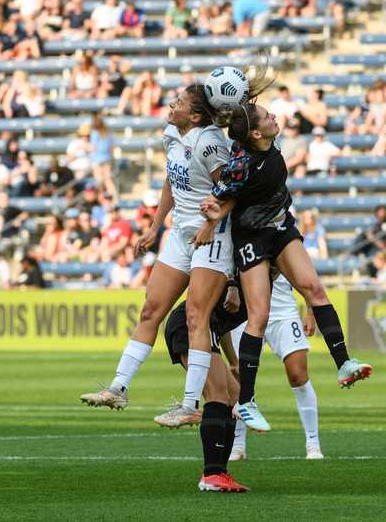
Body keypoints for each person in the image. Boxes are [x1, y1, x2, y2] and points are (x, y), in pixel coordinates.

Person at [196, 100, 372, 431]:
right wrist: (211, 211)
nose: (274, 116)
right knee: (259, 316)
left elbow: (244, 114)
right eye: (267, 116)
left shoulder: (266, 141)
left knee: (314, 288)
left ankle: (344, 363)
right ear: (257, 132)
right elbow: (221, 196)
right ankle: (246, 402)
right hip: (252, 237)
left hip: (280, 226)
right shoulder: (240, 165)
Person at [80, 84, 234, 430]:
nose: (170, 104)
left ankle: (192, 404)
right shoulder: (172, 134)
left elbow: (231, 190)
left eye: (178, 102)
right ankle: (118, 388)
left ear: (195, 115)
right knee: (152, 308)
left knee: (197, 316)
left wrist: (212, 223)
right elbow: (171, 181)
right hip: (180, 233)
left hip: (212, 236)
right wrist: (154, 227)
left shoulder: (210, 143)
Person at [163, 280, 248, 492]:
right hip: (189, 325)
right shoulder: (243, 277)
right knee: (217, 394)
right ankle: (211, 474)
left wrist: (234, 361)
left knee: (234, 395)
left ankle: (220, 472)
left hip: (208, 329)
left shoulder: (258, 282)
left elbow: (223, 327)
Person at [229, 274, 323, 460]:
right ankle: (237, 446)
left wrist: (311, 311)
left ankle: (313, 444)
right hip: (245, 314)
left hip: (283, 313)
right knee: (239, 375)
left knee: (298, 375)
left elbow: (304, 274)